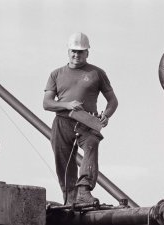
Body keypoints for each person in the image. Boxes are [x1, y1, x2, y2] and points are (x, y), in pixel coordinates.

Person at [43, 32, 118, 205]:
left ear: (87, 53)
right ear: (68, 52)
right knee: (63, 162)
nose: (77, 55)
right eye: (74, 51)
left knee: (92, 144)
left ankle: (84, 189)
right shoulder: (56, 74)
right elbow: (47, 103)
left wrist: (106, 115)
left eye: (81, 52)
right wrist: (67, 105)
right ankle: (70, 200)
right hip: (62, 121)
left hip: (87, 121)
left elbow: (113, 101)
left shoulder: (97, 73)